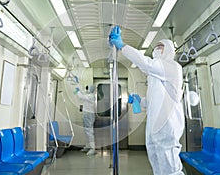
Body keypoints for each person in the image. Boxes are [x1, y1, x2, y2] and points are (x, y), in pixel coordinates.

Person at [109, 26, 184, 175]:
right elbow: (152, 101)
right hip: (155, 125)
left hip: (166, 124)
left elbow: (147, 64)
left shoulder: (172, 67)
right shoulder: (155, 75)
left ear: (169, 50)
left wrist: (123, 46)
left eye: (160, 47)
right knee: (158, 164)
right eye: (155, 47)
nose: (156, 49)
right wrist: (139, 100)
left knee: (170, 167)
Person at [74, 85, 97, 156]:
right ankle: (88, 146)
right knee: (87, 132)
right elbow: (83, 93)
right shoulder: (89, 95)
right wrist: (78, 84)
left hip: (88, 115)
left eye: (87, 88)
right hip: (87, 115)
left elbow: (81, 96)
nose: (86, 89)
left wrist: (77, 91)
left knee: (89, 132)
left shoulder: (90, 96)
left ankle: (92, 148)